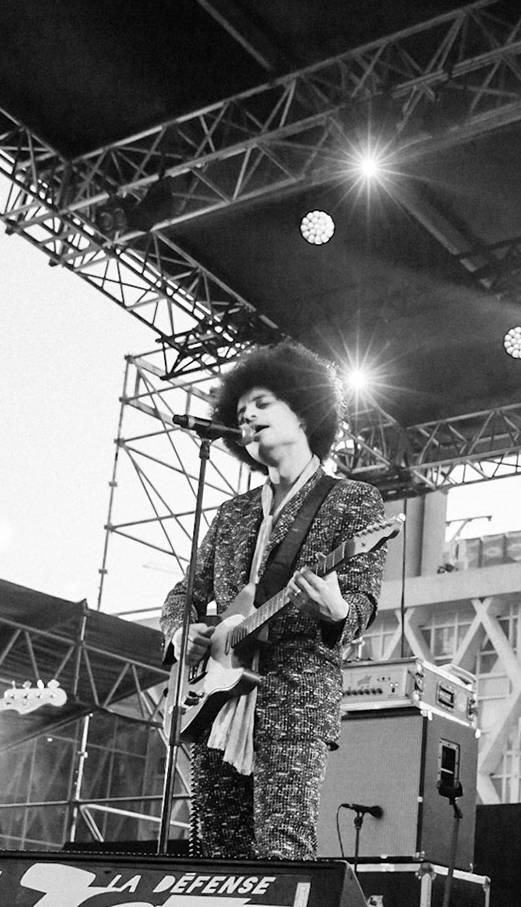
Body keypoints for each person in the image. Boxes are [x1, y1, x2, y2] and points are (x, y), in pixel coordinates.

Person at [159, 343, 388, 860]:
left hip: (293, 700)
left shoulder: (352, 501)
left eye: (262, 403)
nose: (248, 418)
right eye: (240, 414)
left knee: (282, 851)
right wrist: (182, 634)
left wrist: (337, 611)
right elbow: (184, 593)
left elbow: (362, 597)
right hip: (216, 702)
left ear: (303, 410)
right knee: (215, 852)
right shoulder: (232, 513)